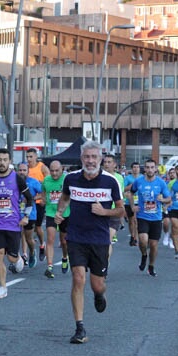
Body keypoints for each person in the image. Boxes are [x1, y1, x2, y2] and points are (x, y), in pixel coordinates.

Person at [55, 141, 125, 344]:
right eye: (87, 157)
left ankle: (99, 295)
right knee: (78, 278)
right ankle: (79, 327)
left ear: (101, 159)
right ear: (81, 158)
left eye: (94, 157)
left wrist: (105, 212)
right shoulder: (71, 178)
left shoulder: (110, 181)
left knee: (97, 285)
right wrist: (60, 213)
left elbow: (121, 210)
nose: (91, 161)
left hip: (99, 239)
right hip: (76, 236)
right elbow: (65, 198)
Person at [0, 148, 34, 298]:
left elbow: (29, 199)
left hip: (13, 223)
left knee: (11, 258)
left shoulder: (16, 179)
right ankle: (2, 287)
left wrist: (26, 216)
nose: (2, 163)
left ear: (9, 161)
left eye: (5, 160)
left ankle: (18, 258)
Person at [130, 158, 172, 276]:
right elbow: (131, 193)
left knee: (153, 245)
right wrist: (133, 206)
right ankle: (144, 255)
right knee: (143, 241)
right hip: (142, 216)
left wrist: (162, 200)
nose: (149, 169)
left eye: (152, 167)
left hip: (156, 218)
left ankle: (151, 265)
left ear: (156, 169)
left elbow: (169, 198)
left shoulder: (161, 183)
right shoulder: (139, 181)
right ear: (145, 169)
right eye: (147, 167)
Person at [42, 160, 70, 278]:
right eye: (52, 170)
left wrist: (61, 211)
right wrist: (43, 201)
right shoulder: (46, 180)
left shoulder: (66, 180)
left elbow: (69, 198)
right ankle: (49, 266)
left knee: (64, 241)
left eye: (56, 171)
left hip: (65, 214)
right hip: (51, 213)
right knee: (50, 239)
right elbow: (44, 192)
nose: (54, 173)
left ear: (62, 169)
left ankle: (65, 257)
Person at [25, 148, 50, 260]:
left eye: (31, 156)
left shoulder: (42, 167)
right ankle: (26, 254)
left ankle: (41, 244)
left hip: (38, 201)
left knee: (38, 226)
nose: (29, 159)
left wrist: (42, 198)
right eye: (27, 157)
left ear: (36, 156)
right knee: (24, 229)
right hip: (26, 202)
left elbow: (49, 183)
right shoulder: (25, 169)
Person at [123, 162, 140, 246]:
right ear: (132, 168)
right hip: (129, 201)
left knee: (135, 220)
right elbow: (123, 189)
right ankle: (132, 235)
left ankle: (135, 238)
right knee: (131, 221)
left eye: (137, 167)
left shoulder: (142, 178)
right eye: (134, 167)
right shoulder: (127, 178)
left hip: (139, 202)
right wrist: (131, 186)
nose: (136, 169)